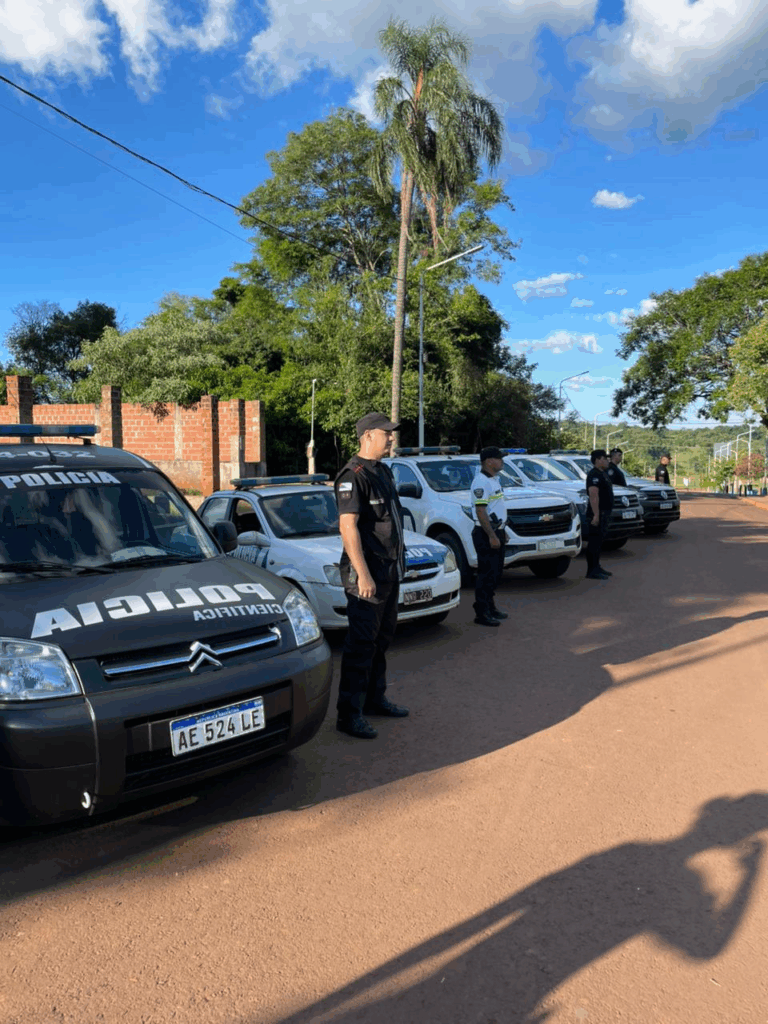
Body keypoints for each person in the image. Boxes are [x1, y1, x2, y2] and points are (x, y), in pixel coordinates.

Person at [333, 412, 410, 740]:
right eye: (386, 433)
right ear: (367, 436)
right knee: (361, 646)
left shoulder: (384, 471)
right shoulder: (353, 476)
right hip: (368, 576)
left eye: (391, 434)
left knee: (381, 641)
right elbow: (347, 527)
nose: (391, 438)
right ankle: (349, 715)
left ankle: (375, 700)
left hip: (389, 572)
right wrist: (363, 575)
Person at [470, 446, 509, 626]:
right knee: (486, 574)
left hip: (496, 530)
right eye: (499, 458)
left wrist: (502, 531)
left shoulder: (494, 479)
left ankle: (490, 607)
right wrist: (492, 536)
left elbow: (496, 509)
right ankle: (481, 612)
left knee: (495, 573)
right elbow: (481, 511)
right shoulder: (481, 482)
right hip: (485, 533)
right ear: (489, 461)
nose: (502, 461)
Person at [585, 449, 614, 580]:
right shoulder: (594, 474)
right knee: (594, 542)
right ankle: (592, 570)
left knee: (599, 541)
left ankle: (597, 566)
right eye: (605, 458)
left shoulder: (602, 473)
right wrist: (596, 515)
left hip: (604, 512)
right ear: (597, 460)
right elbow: (593, 495)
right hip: (597, 513)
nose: (607, 461)